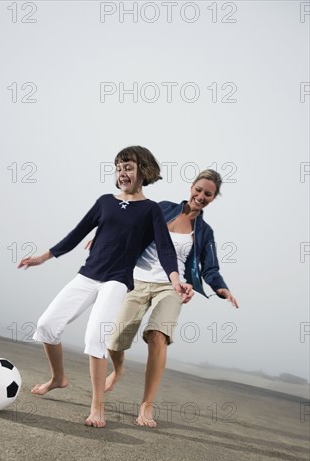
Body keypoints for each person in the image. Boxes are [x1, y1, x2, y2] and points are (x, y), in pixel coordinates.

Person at [17, 146, 193, 428]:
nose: (123, 173)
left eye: (129, 168)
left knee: (94, 338)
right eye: (119, 168)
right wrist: (44, 256)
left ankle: (98, 406)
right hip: (88, 274)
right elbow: (76, 234)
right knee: (47, 325)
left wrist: (175, 280)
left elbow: (165, 249)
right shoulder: (104, 202)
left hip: (117, 280)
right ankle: (58, 378)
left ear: (143, 171)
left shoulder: (150, 210)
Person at [106, 169, 239, 427]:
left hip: (172, 286)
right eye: (199, 190)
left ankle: (146, 406)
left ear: (213, 198)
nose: (201, 196)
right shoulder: (164, 208)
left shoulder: (204, 232)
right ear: (191, 187)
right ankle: (118, 369)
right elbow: (133, 227)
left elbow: (209, 268)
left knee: (158, 335)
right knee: (115, 340)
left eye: (208, 194)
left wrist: (221, 288)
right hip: (138, 279)